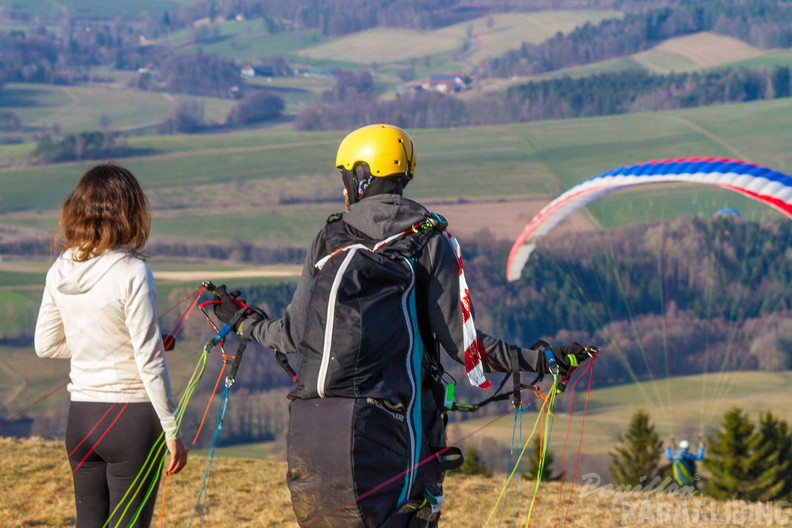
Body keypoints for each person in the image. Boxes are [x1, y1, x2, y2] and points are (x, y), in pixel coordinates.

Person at [212, 124, 595, 528]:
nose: (343, 188)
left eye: (345, 176)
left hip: (318, 429)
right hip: (401, 430)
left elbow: (291, 334)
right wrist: (541, 360)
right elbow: (464, 347)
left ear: (362, 176)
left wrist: (244, 322)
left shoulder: (329, 239)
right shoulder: (430, 241)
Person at [34, 163, 188, 528]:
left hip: (81, 418)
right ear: (130, 211)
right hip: (130, 419)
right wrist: (172, 431)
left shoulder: (59, 269)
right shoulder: (132, 272)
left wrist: (108, 347)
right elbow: (149, 362)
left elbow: (46, 345)